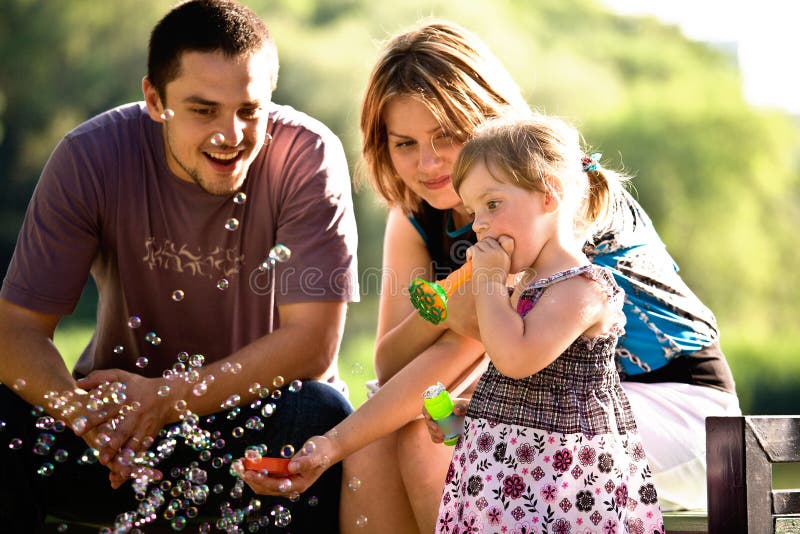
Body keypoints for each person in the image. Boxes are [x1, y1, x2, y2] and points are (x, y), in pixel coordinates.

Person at [241, 18, 738, 532]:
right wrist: (446, 313)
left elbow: (476, 356)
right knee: (380, 445)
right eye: (404, 143)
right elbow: (391, 365)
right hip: (548, 405)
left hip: (678, 409)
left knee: (430, 435)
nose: (428, 163)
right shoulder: (418, 215)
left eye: (446, 136)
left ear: (488, 121)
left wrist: (457, 320)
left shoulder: (549, 202)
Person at [0, 0, 358, 531]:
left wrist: (165, 401)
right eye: (203, 109)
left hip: (250, 442)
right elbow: (15, 333)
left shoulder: (307, 157)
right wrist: (88, 418)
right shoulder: (90, 157)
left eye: (249, 110)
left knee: (320, 413)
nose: (231, 134)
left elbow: (314, 344)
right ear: (154, 99)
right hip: (114, 441)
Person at [431, 114, 664, 532]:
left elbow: (516, 359)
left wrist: (488, 279)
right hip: (509, 480)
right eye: (473, 211)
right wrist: (481, 414)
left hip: (561, 492)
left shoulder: (583, 288)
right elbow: (528, 384)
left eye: (493, 204)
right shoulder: (523, 285)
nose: (479, 223)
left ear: (548, 195)